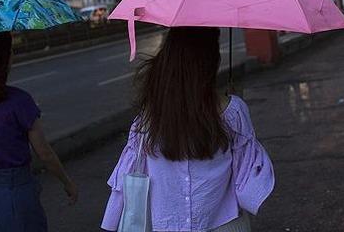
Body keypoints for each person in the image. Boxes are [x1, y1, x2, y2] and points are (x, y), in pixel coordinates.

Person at [102, 27, 274, 232]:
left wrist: (110, 223)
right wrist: (235, 105)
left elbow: (126, 177)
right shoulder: (232, 112)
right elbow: (249, 185)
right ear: (211, 61)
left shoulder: (148, 119)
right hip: (224, 224)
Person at [0, 31, 78, 232]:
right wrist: (67, 182)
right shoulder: (19, 102)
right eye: (11, 51)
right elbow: (44, 153)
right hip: (16, 190)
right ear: (2, 59)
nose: (13, 56)